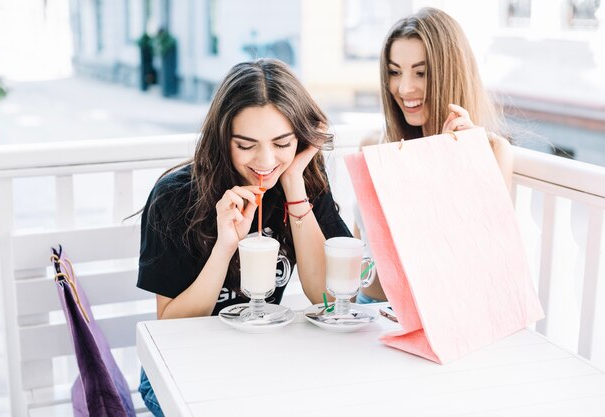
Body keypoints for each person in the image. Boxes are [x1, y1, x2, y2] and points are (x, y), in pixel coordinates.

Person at [136, 58, 352, 416]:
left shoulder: (303, 182)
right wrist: (225, 246)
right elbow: (172, 326)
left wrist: (295, 184)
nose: (265, 161)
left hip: (263, 364)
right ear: (223, 140)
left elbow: (327, 297)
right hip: (183, 370)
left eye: (282, 143)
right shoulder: (176, 196)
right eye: (246, 145)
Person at [355, 7, 514, 304]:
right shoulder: (374, 144)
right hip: (368, 313)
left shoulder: (490, 152)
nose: (404, 88)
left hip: (441, 315)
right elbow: (360, 247)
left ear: (449, 72)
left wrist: (455, 163)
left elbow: (475, 261)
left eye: (421, 72)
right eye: (394, 72)